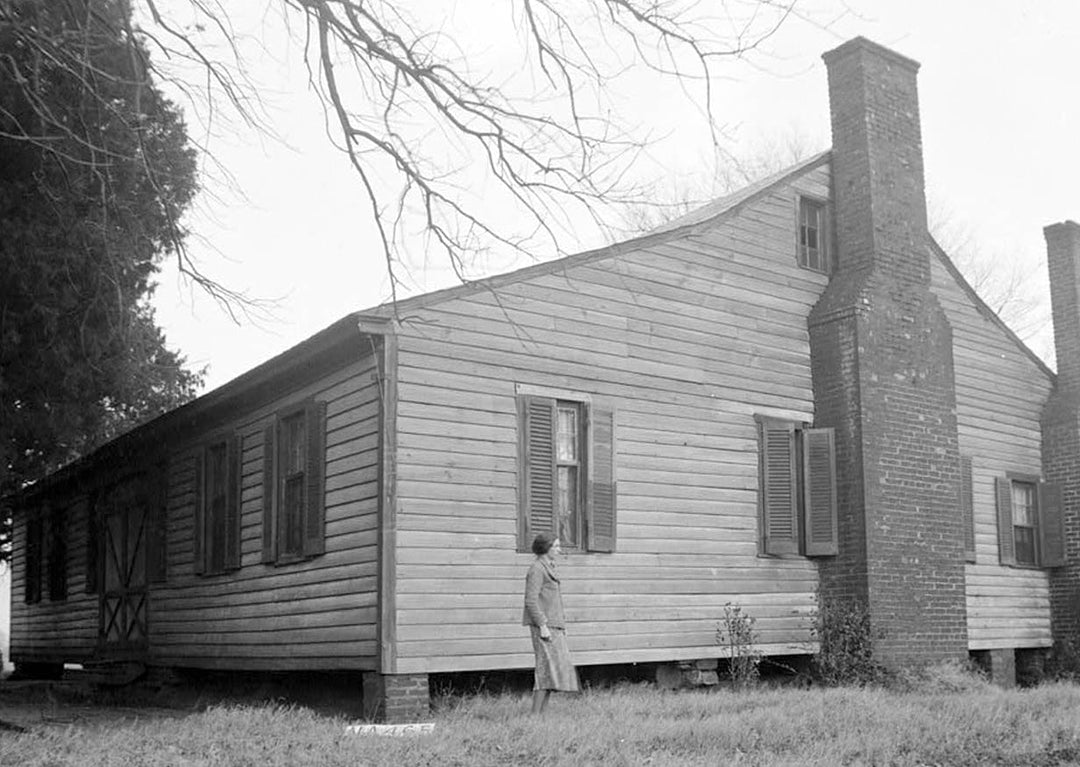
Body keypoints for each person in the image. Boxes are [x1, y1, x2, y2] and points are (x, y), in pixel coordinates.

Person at [522, 532, 580, 714]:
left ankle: (541, 716)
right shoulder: (537, 569)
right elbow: (531, 601)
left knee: (552, 672)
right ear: (546, 548)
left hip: (554, 626)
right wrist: (543, 626)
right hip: (545, 627)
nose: (559, 549)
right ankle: (535, 716)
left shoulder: (548, 567)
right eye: (555, 546)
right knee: (545, 672)